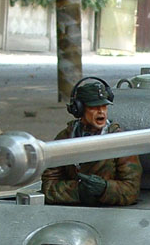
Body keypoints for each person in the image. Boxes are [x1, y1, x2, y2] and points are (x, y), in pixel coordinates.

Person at [40, 77, 142, 205]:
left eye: (104, 106)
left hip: (111, 211)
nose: (101, 112)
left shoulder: (121, 141)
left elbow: (131, 190)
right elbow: (48, 187)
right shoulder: (65, 138)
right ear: (79, 109)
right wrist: (78, 191)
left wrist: (105, 189)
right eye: (94, 107)